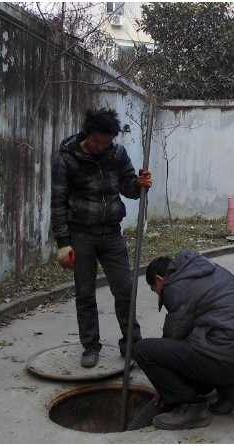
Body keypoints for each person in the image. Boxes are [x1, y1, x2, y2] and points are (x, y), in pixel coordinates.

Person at [50, 108, 152, 367]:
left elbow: (129, 189)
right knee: (85, 293)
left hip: (111, 234)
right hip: (81, 235)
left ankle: (132, 345)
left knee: (125, 289)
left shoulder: (117, 155)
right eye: (96, 142)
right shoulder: (67, 158)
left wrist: (140, 185)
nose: (100, 147)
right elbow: (58, 201)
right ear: (87, 134)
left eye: (106, 143)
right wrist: (63, 243)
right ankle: (91, 346)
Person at [132, 250, 234, 430]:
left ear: (160, 280)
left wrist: (165, 387)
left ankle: (190, 408)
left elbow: (173, 336)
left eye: (155, 289)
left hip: (225, 358)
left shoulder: (175, 286)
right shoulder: (202, 270)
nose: (158, 293)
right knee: (205, 338)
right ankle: (231, 392)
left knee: (143, 350)